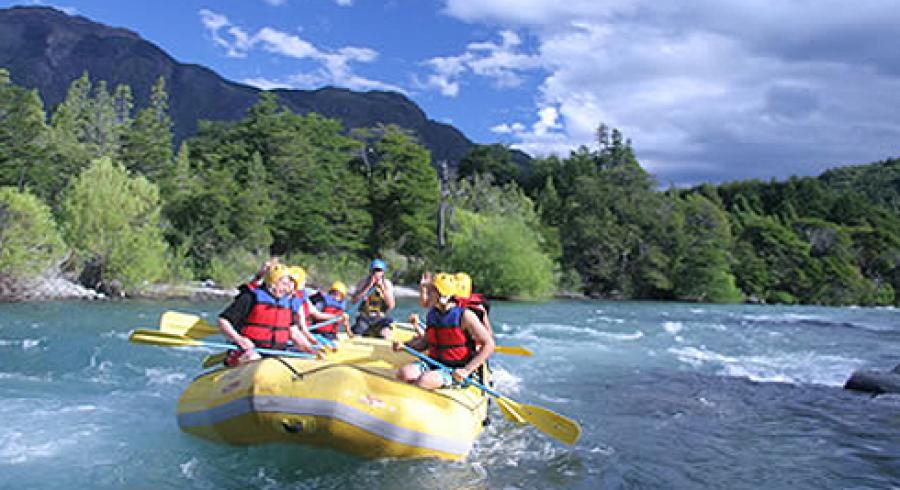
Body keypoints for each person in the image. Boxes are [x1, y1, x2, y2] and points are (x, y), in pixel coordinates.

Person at [393, 272, 494, 389]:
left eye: (432, 291)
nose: (428, 294)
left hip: (456, 369)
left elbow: (489, 344)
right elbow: (425, 343)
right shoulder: (432, 314)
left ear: (443, 296)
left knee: (425, 380)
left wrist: (466, 370)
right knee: (404, 373)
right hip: (433, 362)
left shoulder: (465, 316)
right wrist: (406, 346)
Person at [218, 263, 317, 366]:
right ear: (272, 282)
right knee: (254, 358)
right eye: (283, 284)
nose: (287, 289)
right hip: (248, 351)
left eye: (289, 285)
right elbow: (223, 320)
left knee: (301, 358)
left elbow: (294, 332)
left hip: (275, 353)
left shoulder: (287, 303)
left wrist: (311, 351)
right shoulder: (250, 297)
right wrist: (239, 339)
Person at [350, 258, 395, 339]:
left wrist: (382, 288)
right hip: (365, 317)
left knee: (386, 331)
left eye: (379, 270)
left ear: (383, 272)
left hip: (380, 318)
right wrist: (368, 287)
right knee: (357, 332)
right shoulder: (363, 282)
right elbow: (354, 301)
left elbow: (391, 305)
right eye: (374, 270)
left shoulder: (386, 284)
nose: (376, 273)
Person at [311, 281, 354, 345]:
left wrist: (349, 332)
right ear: (330, 293)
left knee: (334, 340)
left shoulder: (340, 309)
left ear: (342, 297)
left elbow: (345, 322)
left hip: (331, 334)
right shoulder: (323, 302)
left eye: (339, 295)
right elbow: (315, 315)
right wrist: (335, 316)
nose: (336, 296)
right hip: (318, 332)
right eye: (334, 293)